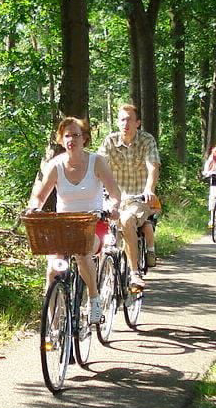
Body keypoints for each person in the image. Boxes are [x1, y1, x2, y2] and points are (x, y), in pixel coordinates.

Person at [27, 117, 121, 325]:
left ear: (84, 139)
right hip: (64, 227)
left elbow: (114, 192)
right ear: (61, 140)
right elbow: (40, 196)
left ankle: (94, 301)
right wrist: (34, 208)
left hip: (94, 224)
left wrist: (113, 207)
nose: (72, 139)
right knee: (54, 268)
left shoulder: (97, 161)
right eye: (67, 135)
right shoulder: (56, 165)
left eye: (76, 135)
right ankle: (53, 323)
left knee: (82, 253)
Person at [97, 104, 161, 292]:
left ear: (137, 123)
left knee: (125, 220)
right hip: (115, 198)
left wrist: (149, 188)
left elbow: (153, 166)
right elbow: (97, 166)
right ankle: (96, 280)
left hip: (139, 198)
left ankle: (134, 273)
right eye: (122, 119)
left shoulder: (146, 140)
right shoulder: (110, 141)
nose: (125, 123)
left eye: (129, 119)